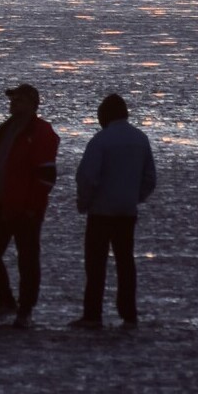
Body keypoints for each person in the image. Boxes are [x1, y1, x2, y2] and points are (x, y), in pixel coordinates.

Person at [0, 84, 60, 329]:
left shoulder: (41, 132)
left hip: (24, 208)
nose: (14, 103)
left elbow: (45, 176)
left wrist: (32, 206)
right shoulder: (4, 130)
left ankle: (25, 310)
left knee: (27, 259)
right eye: (13, 99)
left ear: (33, 105)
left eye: (20, 100)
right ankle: (6, 300)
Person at [69, 94, 157, 330]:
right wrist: (134, 198)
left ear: (104, 116)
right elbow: (150, 178)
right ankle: (128, 313)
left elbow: (88, 177)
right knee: (125, 263)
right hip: (127, 211)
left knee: (95, 265)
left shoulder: (101, 140)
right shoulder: (140, 139)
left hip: (100, 211)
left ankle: (92, 314)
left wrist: (84, 202)